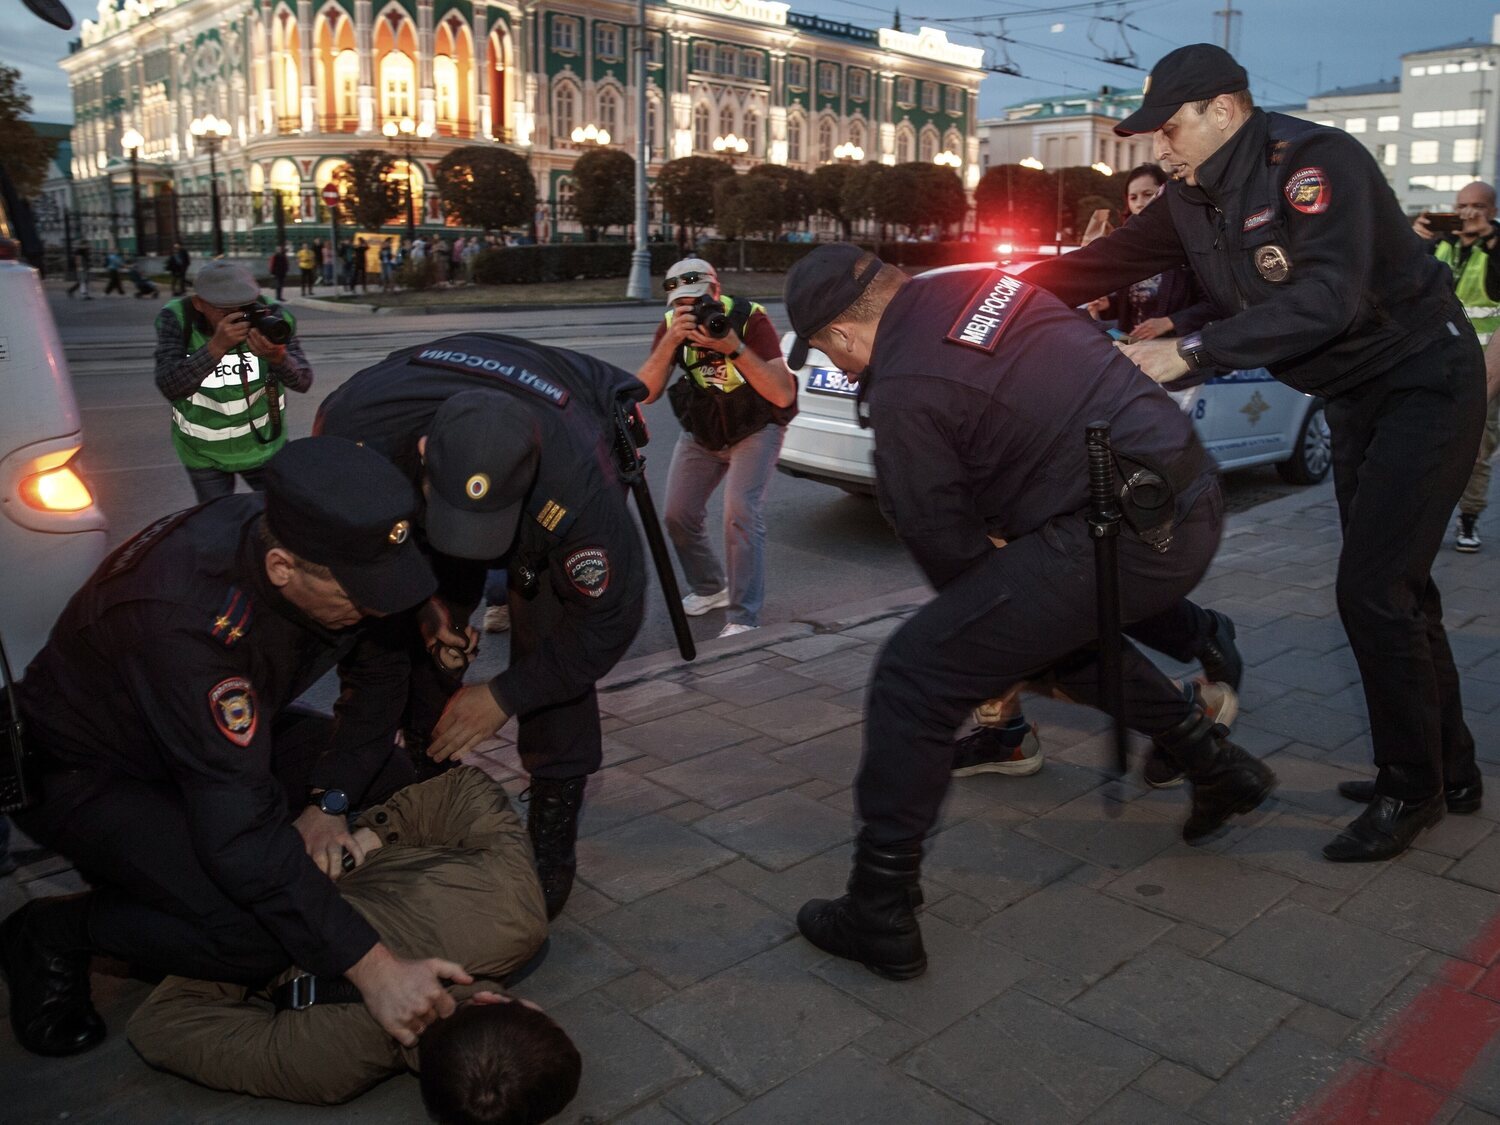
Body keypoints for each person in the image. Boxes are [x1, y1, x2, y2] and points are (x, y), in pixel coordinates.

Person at [1023, 43, 1487, 863]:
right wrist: (979, 293)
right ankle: (1450, 767)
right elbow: (1097, 263)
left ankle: (1409, 787)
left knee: (1374, 591)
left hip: (1424, 377)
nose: (1158, 149)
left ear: (1225, 111)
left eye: (1169, 129)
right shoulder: (1189, 198)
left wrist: (1191, 352)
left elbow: (1327, 295)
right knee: (1399, 590)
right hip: (1352, 394)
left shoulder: (1313, 162)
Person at [781, 243, 1276, 979]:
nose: (848, 372)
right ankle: (1217, 765)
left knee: (914, 675)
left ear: (843, 337)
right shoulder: (988, 287)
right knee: (1046, 628)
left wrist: (995, 635)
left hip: (1122, 532)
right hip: (1183, 495)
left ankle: (878, 906)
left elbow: (953, 561)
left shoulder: (906, 385)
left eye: (835, 358)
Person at [0, 437, 450, 1059]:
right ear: (282, 569)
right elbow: (240, 835)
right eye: (359, 598)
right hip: (86, 771)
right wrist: (374, 970)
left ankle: (293, 901)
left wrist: (328, 803)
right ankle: (50, 933)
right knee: (252, 937)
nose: (375, 610)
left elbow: (379, 679)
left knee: (390, 779)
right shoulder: (184, 618)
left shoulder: (328, 546)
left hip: (206, 746)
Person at [315, 333, 649, 919]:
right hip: (413, 467)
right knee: (397, 633)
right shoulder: (355, 434)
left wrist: (503, 695)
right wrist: (424, 607)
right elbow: (370, 578)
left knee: (550, 643)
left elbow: (609, 619)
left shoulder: (579, 486)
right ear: (421, 452)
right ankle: (428, 775)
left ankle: (554, 816)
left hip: (561, 433)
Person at [125, 766, 575, 1118]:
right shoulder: (324, 1067)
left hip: (235, 823)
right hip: (217, 842)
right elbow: (160, 1025)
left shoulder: (516, 917)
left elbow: (467, 786)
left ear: (490, 1004)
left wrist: (255, 931)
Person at [635, 258, 798, 638]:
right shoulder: (673, 326)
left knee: (740, 512)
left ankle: (744, 616)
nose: (694, 311)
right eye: (683, 305)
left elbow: (782, 391)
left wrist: (733, 347)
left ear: (716, 291)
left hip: (756, 426)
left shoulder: (747, 319)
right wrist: (672, 340)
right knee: (678, 513)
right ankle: (711, 588)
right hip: (705, 428)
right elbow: (645, 393)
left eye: (700, 300)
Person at [153, 260, 314, 502]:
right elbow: (171, 386)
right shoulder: (178, 319)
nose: (239, 317)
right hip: (203, 454)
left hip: (266, 447)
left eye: (245, 308)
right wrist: (215, 348)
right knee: (218, 523)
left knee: (281, 521)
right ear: (199, 304)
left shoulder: (272, 315)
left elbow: (303, 381)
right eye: (225, 311)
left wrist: (279, 359)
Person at [1414, 181, 1500, 553]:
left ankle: (1469, 518)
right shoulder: (1441, 243)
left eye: (1476, 206)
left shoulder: (1495, 247)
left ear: (1492, 211)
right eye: (1461, 205)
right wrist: (1416, 239)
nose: (1467, 213)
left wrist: (1491, 238)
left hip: (1484, 369)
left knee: (1477, 450)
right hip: (1434, 364)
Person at [1085, 163, 1217, 344]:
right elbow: (1136, 303)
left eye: (1148, 194)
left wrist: (1170, 322)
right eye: (1133, 197)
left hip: (1179, 357)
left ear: (1165, 195)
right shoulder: (1130, 249)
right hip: (1134, 354)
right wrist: (1108, 305)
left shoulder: (1191, 244)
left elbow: (1215, 305)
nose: (1139, 203)